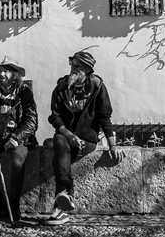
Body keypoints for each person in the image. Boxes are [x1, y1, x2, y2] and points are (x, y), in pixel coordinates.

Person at [45, 51, 122, 226]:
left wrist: (112, 145)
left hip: (87, 140)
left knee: (59, 156)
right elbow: (55, 116)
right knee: (59, 141)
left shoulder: (97, 87)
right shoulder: (62, 87)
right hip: (65, 136)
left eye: (78, 67)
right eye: (72, 65)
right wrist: (70, 135)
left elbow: (104, 117)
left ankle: (62, 201)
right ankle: (64, 200)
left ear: (87, 70)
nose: (73, 69)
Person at [0, 56, 37, 226]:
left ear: (15, 74)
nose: (1, 73)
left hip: (20, 138)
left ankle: (14, 205)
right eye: (0, 70)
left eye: (6, 70)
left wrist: (17, 138)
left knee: (17, 160)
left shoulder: (24, 92)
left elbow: (31, 121)